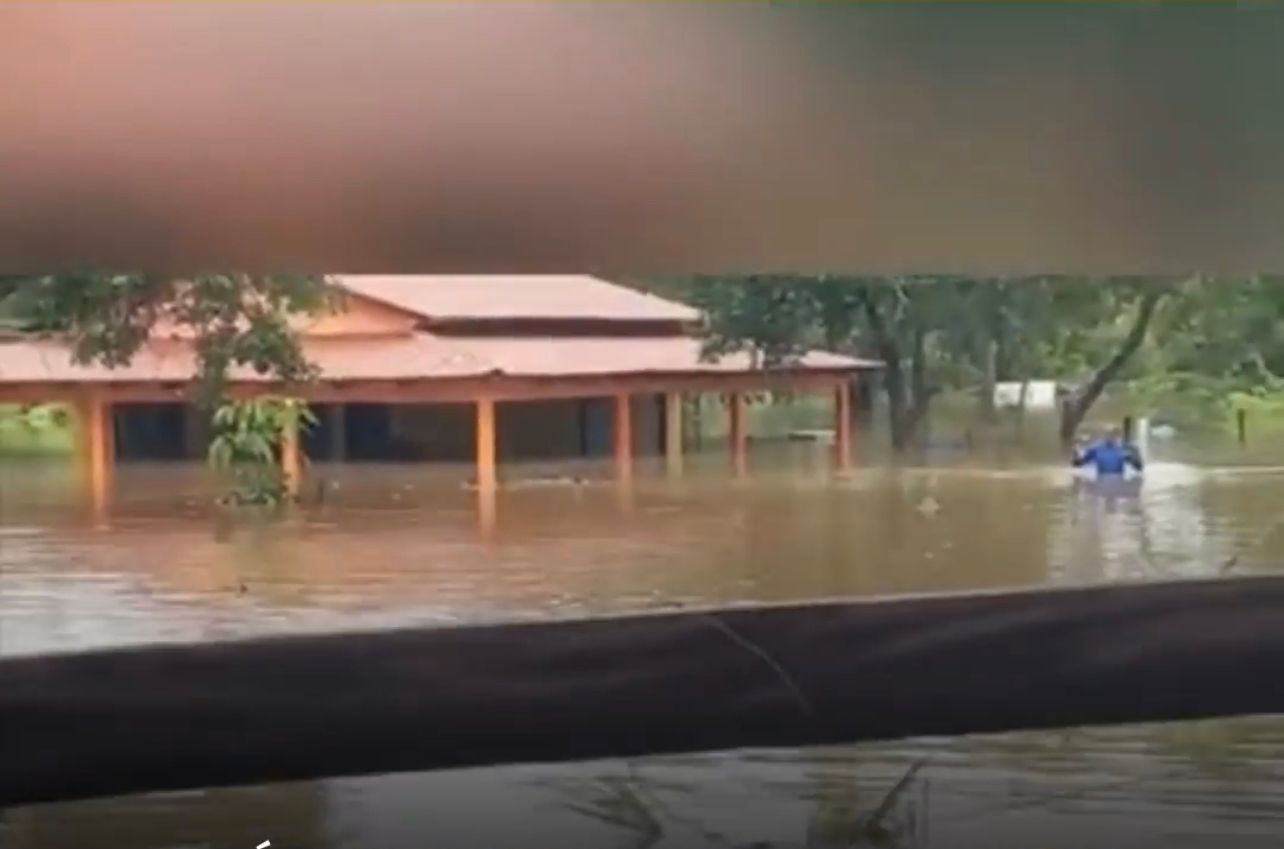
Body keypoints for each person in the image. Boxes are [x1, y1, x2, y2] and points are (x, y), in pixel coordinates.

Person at [1072, 426, 1144, 477]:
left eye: (1115, 435)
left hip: (1117, 482)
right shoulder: (1096, 449)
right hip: (1102, 481)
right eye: (1110, 434)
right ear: (1105, 436)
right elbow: (1078, 464)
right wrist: (1075, 453)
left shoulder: (1125, 449)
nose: (1112, 437)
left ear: (1119, 436)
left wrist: (1133, 456)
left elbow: (1139, 468)